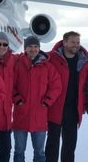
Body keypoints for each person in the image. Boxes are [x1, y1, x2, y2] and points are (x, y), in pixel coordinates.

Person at [12, 36, 61, 162]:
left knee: (39, 152)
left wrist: (47, 101)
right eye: (30, 47)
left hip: (39, 116)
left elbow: (56, 86)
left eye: (36, 47)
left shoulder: (47, 67)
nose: (33, 49)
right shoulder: (18, 64)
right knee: (19, 152)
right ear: (25, 48)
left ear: (39, 48)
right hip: (21, 116)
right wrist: (17, 99)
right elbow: (10, 85)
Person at [45, 31, 88, 162]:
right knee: (52, 146)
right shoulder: (51, 58)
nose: (76, 45)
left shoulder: (84, 62)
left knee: (69, 147)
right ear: (64, 42)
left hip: (73, 110)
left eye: (78, 42)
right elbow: (30, 57)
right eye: (73, 42)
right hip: (55, 108)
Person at [0, 32, 15, 162]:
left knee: (5, 151)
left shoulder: (12, 60)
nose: (2, 47)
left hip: (5, 119)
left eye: (5, 44)